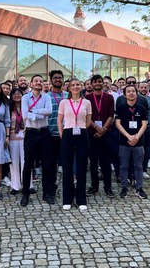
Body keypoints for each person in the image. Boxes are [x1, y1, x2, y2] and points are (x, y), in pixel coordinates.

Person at [57, 78, 92, 211]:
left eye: (78, 84)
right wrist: (62, 134)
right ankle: (67, 199)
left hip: (82, 133)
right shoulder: (64, 102)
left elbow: (88, 121)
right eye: (73, 85)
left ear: (81, 86)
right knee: (67, 167)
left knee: (82, 167)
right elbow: (60, 120)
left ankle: (81, 199)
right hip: (67, 133)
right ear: (69, 88)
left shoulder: (87, 102)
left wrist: (81, 127)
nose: (76, 87)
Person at [20, 74, 53, 207]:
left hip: (44, 133)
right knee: (28, 164)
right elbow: (24, 114)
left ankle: (47, 193)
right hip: (31, 134)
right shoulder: (25, 97)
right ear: (31, 84)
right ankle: (25, 193)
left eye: (41, 81)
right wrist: (38, 114)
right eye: (36, 81)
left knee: (47, 165)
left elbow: (49, 111)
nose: (39, 83)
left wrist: (33, 111)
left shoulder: (47, 96)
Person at [116, 84, 149, 199]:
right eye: (128, 91)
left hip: (138, 142)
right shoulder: (121, 108)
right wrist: (129, 136)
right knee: (124, 165)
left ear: (136, 93)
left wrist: (136, 137)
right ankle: (124, 186)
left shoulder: (141, 108)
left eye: (133, 91)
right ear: (124, 94)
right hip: (124, 142)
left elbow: (144, 124)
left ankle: (139, 187)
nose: (131, 93)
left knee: (138, 166)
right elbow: (117, 123)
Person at [85, 74, 115, 198]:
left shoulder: (109, 97)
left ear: (103, 83)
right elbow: (87, 116)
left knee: (106, 162)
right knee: (93, 162)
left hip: (106, 133)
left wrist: (103, 129)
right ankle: (94, 186)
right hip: (91, 133)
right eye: (95, 82)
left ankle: (108, 187)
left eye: (99, 81)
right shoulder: (87, 98)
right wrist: (96, 127)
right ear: (91, 84)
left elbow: (111, 115)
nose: (97, 83)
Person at [48, 70, 68, 198]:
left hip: (66, 134)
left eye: (60, 78)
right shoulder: (46, 96)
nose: (58, 80)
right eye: (55, 78)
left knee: (67, 162)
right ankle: (51, 189)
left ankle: (68, 188)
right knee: (50, 164)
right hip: (50, 134)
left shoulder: (68, 95)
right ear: (51, 80)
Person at [8, 88, 30, 195]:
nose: (17, 95)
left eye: (19, 94)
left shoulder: (26, 106)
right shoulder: (9, 108)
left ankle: (29, 184)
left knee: (26, 162)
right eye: (14, 94)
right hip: (12, 138)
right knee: (14, 162)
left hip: (25, 137)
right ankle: (15, 185)